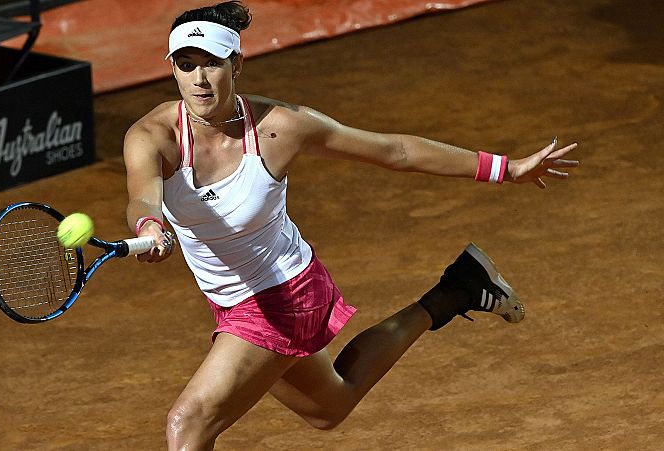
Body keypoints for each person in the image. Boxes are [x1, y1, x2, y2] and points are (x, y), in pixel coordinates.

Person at [122, 2, 579, 449]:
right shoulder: (151, 135)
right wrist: (148, 225)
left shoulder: (283, 127)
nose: (199, 79)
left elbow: (393, 151)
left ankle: (458, 288)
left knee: (188, 425)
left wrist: (506, 168)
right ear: (173, 68)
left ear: (237, 63)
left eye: (212, 63)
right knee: (329, 408)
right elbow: (143, 195)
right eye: (186, 64)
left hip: (283, 295)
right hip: (227, 298)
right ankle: (457, 289)